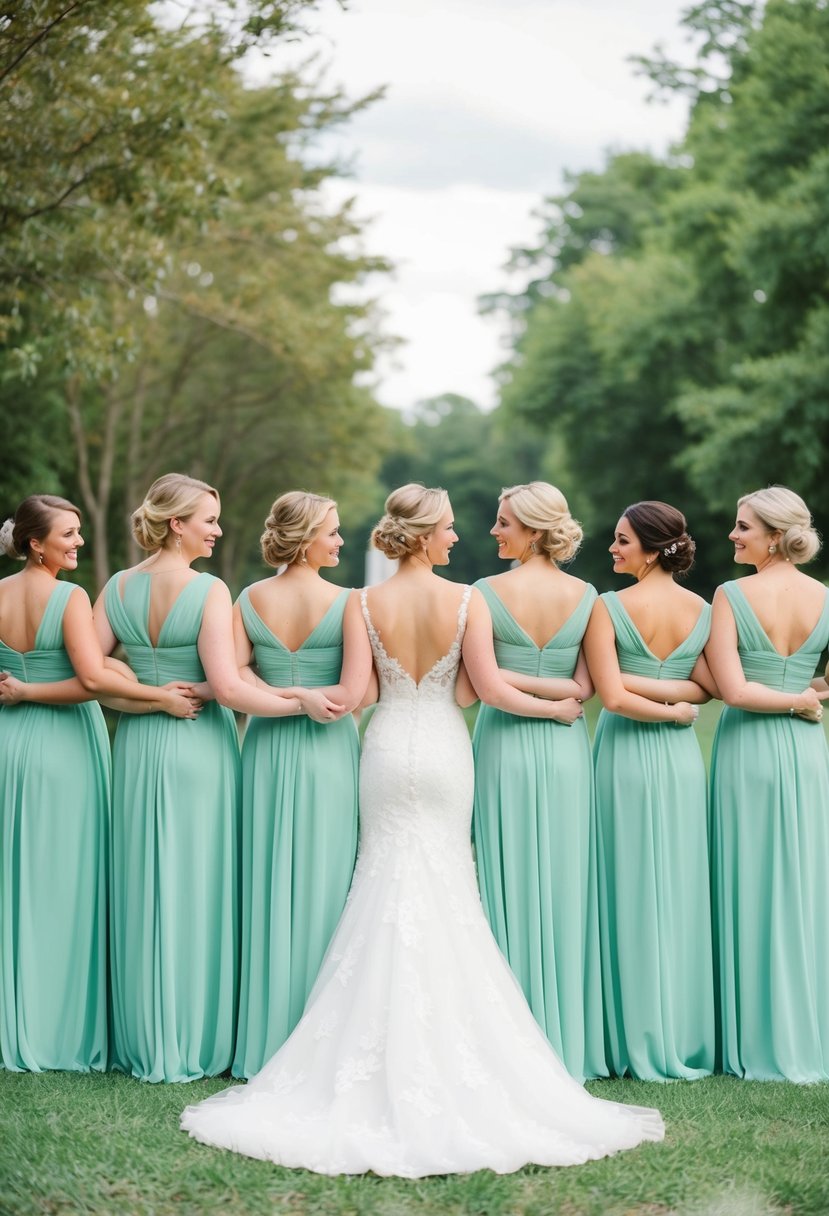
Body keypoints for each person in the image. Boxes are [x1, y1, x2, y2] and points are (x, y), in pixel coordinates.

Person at [181, 483, 663, 1176]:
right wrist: (561, 699)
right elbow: (482, 691)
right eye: (446, 529)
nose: (457, 538)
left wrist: (290, 691)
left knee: (380, 878)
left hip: (383, 749)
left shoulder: (361, 603)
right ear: (427, 534)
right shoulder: (467, 600)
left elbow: (354, 697)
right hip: (442, 750)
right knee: (446, 884)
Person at [95, 473, 342, 1083]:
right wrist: (302, 702)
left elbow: (94, 666)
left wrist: (145, 696)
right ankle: (196, 1039)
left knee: (143, 878)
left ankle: (142, 1037)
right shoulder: (207, 589)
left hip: (139, 743)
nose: (219, 528)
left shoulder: (118, 586)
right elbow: (229, 688)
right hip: (198, 741)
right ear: (177, 524)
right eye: (209, 519)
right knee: (198, 883)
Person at [0, 495, 198, 1073]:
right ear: (36, 543)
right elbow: (89, 678)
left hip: (10, 742)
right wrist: (159, 695)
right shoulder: (68, 596)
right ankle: (57, 1032)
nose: (79, 542)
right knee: (67, 880)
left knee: (15, 878)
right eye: (69, 533)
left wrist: (18, 691)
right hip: (63, 746)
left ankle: (15, 1016)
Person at [471, 482, 604, 1081]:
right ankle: (557, 1034)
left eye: (503, 523)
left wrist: (519, 681)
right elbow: (585, 686)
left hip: (503, 741)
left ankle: (504, 1034)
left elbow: (482, 681)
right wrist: (559, 694)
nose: (495, 532)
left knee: (503, 879)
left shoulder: (483, 594)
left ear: (531, 529)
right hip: (565, 747)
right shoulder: (586, 595)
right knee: (562, 880)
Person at [583, 501, 716, 1080]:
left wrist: (641, 692)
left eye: (621, 540)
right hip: (679, 758)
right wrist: (673, 698)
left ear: (652, 547)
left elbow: (606, 695)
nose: (612, 548)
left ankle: (626, 1030)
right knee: (676, 886)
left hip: (627, 753)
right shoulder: (702, 609)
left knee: (625, 883)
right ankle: (677, 1030)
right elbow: (708, 688)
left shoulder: (608, 607)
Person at [232, 492, 360, 1078]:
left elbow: (234, 676)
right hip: (330, 748)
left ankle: (268, 1028)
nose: (338, 542)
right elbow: (351, 696)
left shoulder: (249, 598)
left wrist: (284, 694)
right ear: (305, 537)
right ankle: (319, 1031)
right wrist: (311, 696)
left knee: (268, 876)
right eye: (331, 533)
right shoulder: (349, 602)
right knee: (329, 880)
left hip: (264, 745)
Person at [707, 486, 829, 1082]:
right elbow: (821, 688)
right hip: (805, 750)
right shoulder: (824, 598)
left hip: (748, 746)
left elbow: (732, 691)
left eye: (743, 526)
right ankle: (802, 1030)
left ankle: (751, 1034)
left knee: (747, 880)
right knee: (801, 883)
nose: (733, 534)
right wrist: (805, 696)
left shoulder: (731, 595)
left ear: (775, 536)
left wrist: (788, 697)